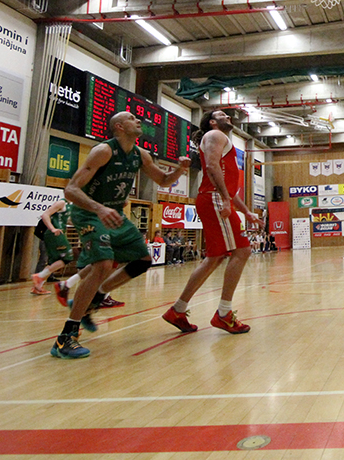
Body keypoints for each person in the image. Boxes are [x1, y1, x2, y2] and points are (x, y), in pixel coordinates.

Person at [51, 111, 190, 359]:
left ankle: (96, 298)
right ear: (119, 127)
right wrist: (99, 207)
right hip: (89, 212)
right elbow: (71, 189)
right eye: (132, 118)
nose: (138, 121)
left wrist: (180, 169)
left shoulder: (140, 154)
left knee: (143, 261)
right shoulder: (103, 151)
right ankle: (65, 338)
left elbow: (164, 180)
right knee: (102, 264)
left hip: (112, 213)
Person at [163, 109, 262, 334]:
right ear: (212, 122)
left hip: (215, 197)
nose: (228, 116)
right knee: (242, 250)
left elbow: (226, 183)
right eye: (222, 114)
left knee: (215, 257)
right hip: (214, 198)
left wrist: (246, 211)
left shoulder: (222, 140)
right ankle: (224, 313)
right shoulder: (215, 136)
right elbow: (211, 167)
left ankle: (178, 309)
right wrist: (226, 199)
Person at [30, 199, 74, 295]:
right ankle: (39, 276)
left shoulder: (70, 205)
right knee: (67, 257)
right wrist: (52, 228)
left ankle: (37, 287)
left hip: (58, 233)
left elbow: (66, 220)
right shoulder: (61, 203)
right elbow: (45, 215)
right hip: (55, 234)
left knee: (52, 262)